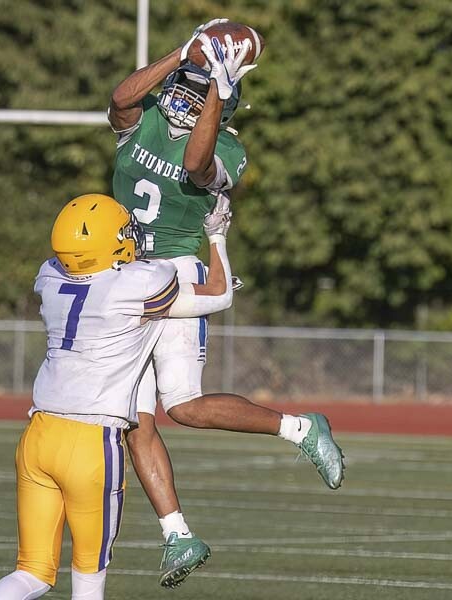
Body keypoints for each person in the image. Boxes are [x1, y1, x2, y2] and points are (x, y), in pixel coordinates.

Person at [108, 19, 345, 588]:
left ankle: (299, 428)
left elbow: (195, 165)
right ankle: (178, 536)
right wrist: (182, 55)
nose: (185, 97)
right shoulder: (138, 124)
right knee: (132, 419)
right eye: (186, 87)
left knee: (182, 406)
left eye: (201, 91)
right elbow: (120, 98)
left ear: (222, 103)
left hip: (179, 270)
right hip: (123, 274)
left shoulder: (229, 150)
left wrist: (216, 86)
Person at [0, 193, 235, 600]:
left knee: (30, 573)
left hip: (38, 435)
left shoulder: (49, 278)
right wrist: (216, 236)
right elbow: (219, 293)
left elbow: (92, 272)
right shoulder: (141, 281)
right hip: (91, 443)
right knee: (88, 583)